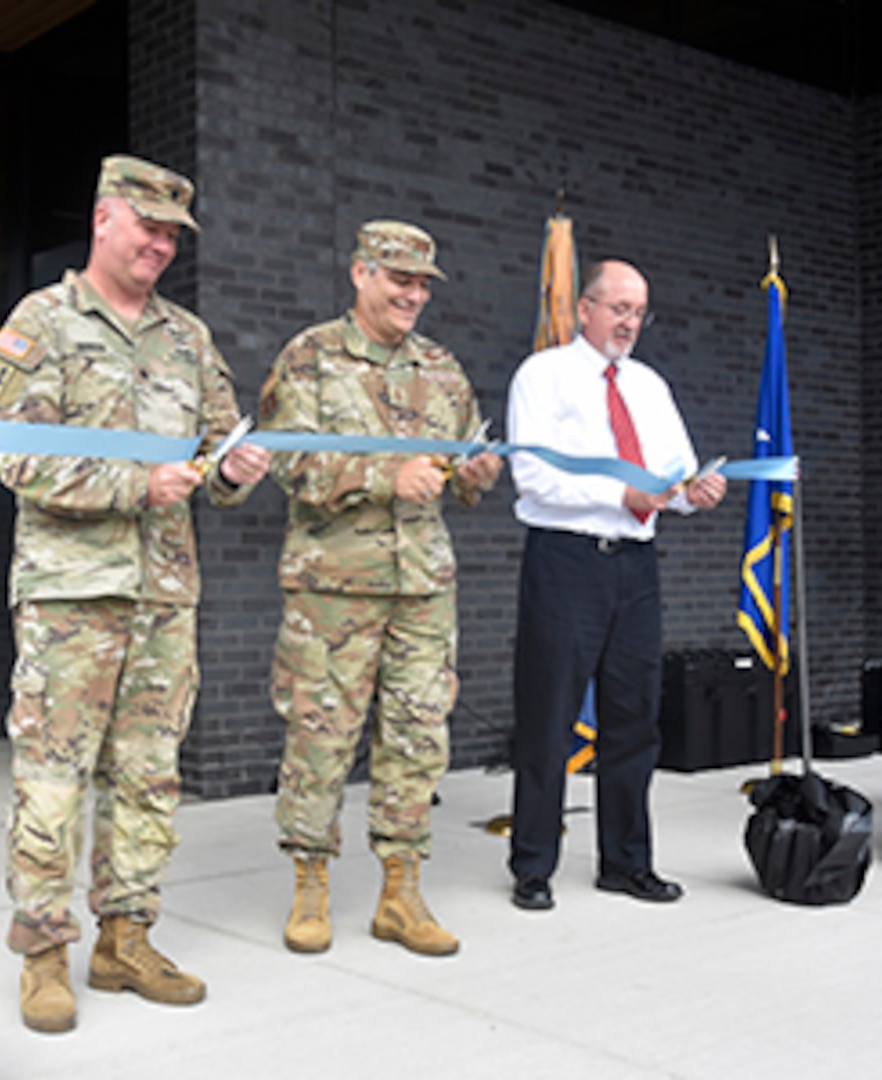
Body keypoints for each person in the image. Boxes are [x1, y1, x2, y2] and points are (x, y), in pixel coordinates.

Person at [0, 154, 271, 1034]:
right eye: (147, 226)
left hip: (164, 597)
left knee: (148, 777)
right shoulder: (44, 323)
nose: (161, 244)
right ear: (103, 218)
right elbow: (19, 459)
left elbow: (218, 450)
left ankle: (124, 938)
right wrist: (134, 487)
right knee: (53, 778)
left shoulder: (189, 338)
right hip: (71, 598)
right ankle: (41, 954)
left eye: (173, 233)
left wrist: (237, 471)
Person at [259, 220, 503, 957]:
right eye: (401, 279)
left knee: (418, 736)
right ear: (362, 274)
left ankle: (401, 893)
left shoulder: (442, 366)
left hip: (423, 586)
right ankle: (310, 886)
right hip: (334, 586)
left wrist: (475, 475)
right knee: (320, 738)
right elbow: (284, 462)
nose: (414, 295)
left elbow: (460, 466)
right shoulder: (310, 357)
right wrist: (379, 475)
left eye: (424, 283)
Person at [505, 258, 726, 912]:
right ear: (585, 309)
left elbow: (675, 476)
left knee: (635, 719)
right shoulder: (541, 375)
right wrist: (621, 490)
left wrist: (695, 493)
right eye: (619, 308)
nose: (629, 322)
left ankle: (626, 862)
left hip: (635, 564)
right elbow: (534, 478)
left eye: (639, 312)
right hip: (566, 562)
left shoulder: (651, 386)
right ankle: (533, 865)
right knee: (549, 716)